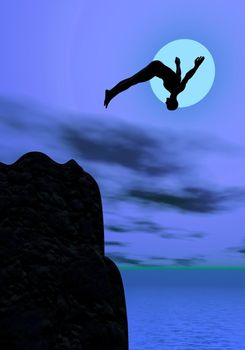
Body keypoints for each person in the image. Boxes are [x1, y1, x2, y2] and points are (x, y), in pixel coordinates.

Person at [104, 56, 205, 111]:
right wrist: (196, 66)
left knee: (132, 80)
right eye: (167, 104)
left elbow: (179, 75)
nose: (165, 102)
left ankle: (111, 92)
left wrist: (178, 64)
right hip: (155, 68)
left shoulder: (175, 89)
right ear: (171, 103)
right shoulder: (178, 89)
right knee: (132, 81)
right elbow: (187, 77)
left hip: (155, 70)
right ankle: (110, 94)